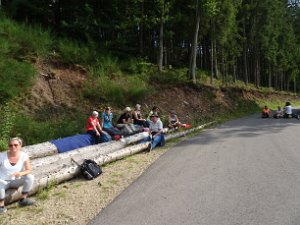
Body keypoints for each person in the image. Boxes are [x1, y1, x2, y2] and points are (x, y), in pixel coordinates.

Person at [0, 137, 35, 214]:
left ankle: (23, 200)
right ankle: (1, 207)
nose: (13, 147)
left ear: (20, 145)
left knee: (30, 177)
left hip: (16, 181)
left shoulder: (24, 156)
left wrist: (20, 173)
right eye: (10, 145)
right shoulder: (1, 156)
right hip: (2, 181)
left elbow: (29, 170)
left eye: (15, 145)